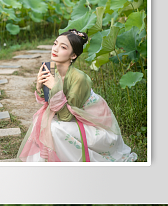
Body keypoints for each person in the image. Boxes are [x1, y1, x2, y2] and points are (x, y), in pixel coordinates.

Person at [16, 30, 137, 162]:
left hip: (97, 128)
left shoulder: (80, 78)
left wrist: (55, 87)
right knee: (40, 122)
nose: (55, 49)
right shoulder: (53, 70)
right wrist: (40, 86)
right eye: (55, 44)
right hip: (74, 119)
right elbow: (49, 103)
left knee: (53, 129)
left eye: (63, 47)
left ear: (73, 55)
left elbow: (66, 117)